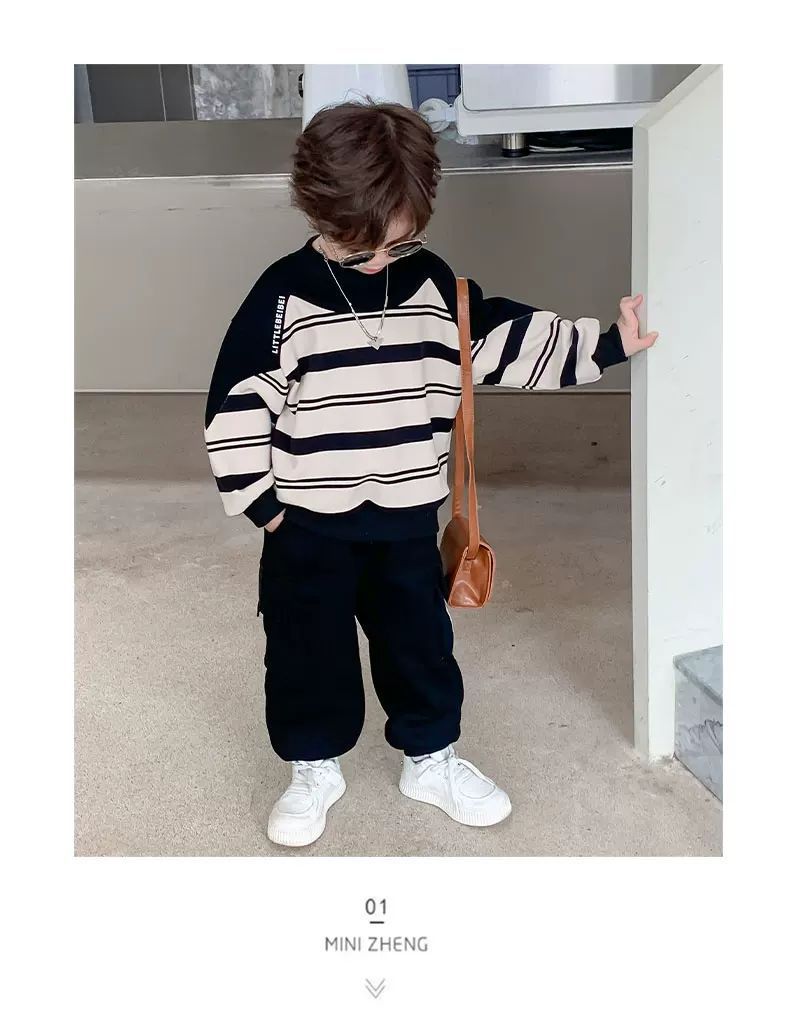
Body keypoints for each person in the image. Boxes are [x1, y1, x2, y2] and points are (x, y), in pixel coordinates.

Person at [204, 99, 658, 848]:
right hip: (306, 526)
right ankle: (313, 767)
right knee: (304, 651)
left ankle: (430, 758)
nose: (382, 261)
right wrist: (264, 508)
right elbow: (235, 406)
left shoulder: (432, 284)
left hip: (408, 519)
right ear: (317, 211)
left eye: (402, 241)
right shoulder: (280, 298)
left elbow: (504, 340)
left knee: (420, 645)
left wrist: (610, 345)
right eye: (361, 247)